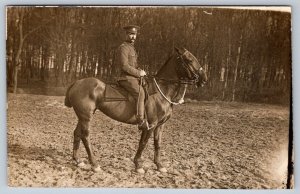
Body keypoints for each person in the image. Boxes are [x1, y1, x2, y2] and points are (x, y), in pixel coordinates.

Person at [115, 25, 149, 130]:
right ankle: (140, 120)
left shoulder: (132, 48)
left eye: (134, 34)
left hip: (132, 77)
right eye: (130, 34)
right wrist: (139, 74)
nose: (133, 37)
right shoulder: (123, 48)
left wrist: (141, 71)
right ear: (126, 35)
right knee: (140, 93)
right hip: (125, 78)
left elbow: (134, 65)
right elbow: (124, 66)